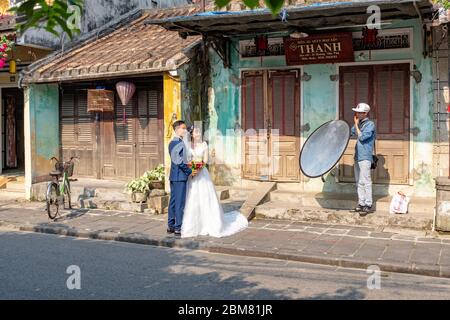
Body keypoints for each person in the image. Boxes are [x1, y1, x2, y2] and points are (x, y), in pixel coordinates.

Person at [181, 125, 248, 238]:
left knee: (206, 197)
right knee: (193, 198)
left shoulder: (204, 145)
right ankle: (194, 225)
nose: (198, 134)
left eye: (199, 132)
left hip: (202, 173)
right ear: (191, 134)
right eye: (196, 132)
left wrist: (198, 167)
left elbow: (206, 160)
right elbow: (187, 159)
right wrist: (191, 169)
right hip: (192, 174)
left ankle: (210, 223)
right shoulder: (188, 146)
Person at [167, 120, 195, 237]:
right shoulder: (177, 143)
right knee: (179, 203)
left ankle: (171, 225)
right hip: (179, 177)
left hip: (174, 176)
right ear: (177, 129)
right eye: (183, 128)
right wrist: (189, 171)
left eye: (185, 128)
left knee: (173, 202)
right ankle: (178, 227)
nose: (184, 130)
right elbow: (178, 161)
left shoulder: (173, 142)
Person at [350, 103, 376, 216]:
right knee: (359, 182)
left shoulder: (370, 124)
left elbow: (362, 137)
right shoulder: (359, 124)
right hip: (357, 156)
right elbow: (351, 132)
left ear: (365, 113)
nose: (358, 114)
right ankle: (361, 203)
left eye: (360, 112)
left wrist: (356, 125)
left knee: (366, 181)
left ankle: (368, 204)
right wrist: (355, 125)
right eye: (357, 112)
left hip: (365, 156)